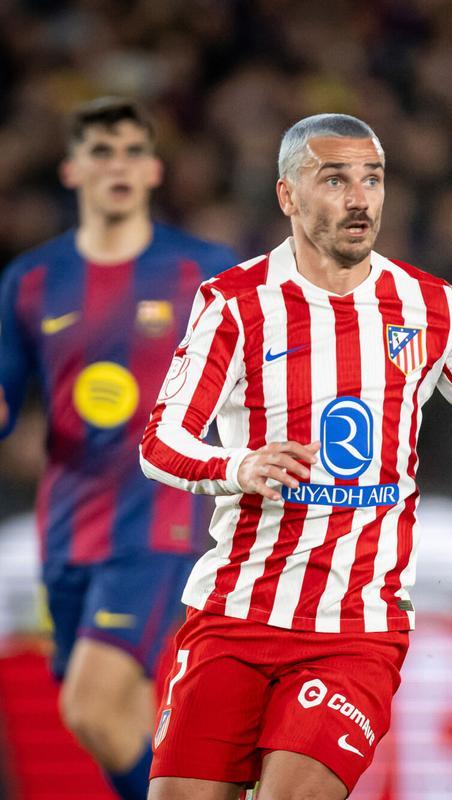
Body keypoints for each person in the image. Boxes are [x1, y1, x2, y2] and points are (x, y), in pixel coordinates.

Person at [139, 113, 452, 800]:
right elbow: (160, 444)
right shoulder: (234, 307)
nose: (360, 198)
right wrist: (239, 465)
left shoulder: (431, 307)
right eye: (335, 178)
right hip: (231, 616)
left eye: (373, 179)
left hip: (356, 630)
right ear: (287, 195)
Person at [0, 97, 237, 800]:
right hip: (68, 521)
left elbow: (274, 366)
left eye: (134, 150)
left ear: (155, 169)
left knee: (90, 704)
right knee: (124, 714)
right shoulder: (32, 281)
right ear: (72, 170)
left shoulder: (206, 269)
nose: (119, 164)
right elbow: (8, 399)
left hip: (162, 513)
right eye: (102, 151)